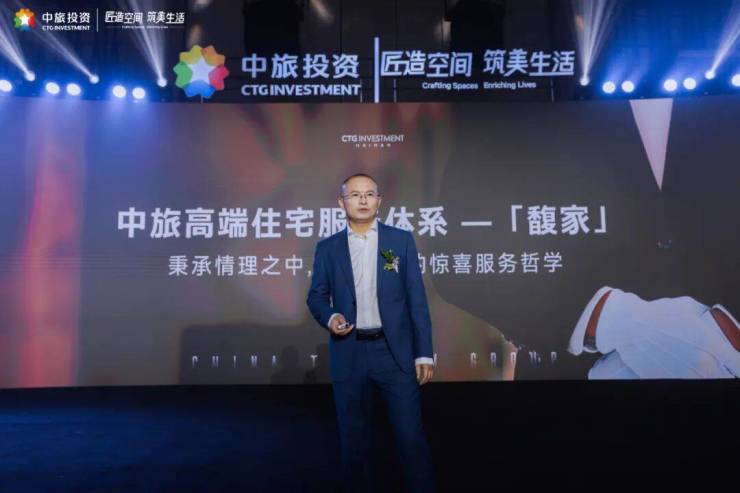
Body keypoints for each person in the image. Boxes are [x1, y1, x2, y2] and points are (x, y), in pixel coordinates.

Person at [306, 173, 435, 492]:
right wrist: (331, 316)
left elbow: (416, 299)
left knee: (410, 439)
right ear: (341, 203)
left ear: (379, 201)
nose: (362, 200)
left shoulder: (400, 241)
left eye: (369, 194)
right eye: (355, 194)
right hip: (349, 352)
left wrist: (423, 353)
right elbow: (316, 297)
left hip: (394, 353)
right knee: (355, 444)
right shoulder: (328, 248)